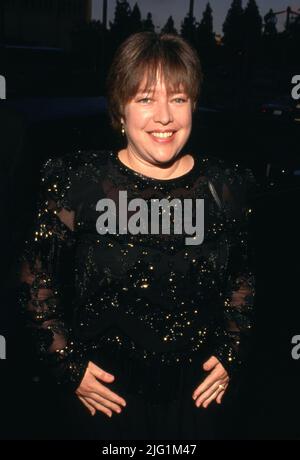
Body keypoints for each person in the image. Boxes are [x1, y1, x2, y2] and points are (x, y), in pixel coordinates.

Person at [18, 32, 256, 440]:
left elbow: (243, 276)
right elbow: (35, 278)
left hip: (198, 400)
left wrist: (233, 349)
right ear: (120, 109)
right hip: (102, 397)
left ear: (194, 105)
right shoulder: (79, 182)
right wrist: (66, 363)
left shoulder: (226, 186)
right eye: (145, 98)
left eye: (178, 98)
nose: (164, 116)